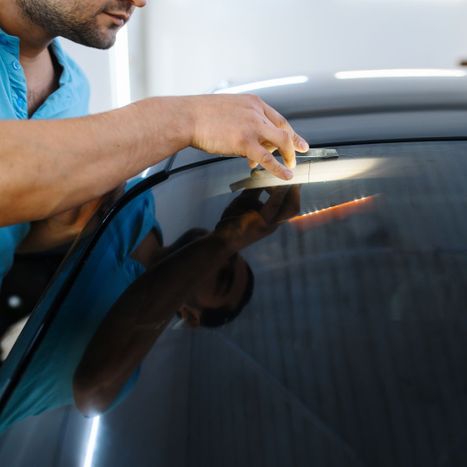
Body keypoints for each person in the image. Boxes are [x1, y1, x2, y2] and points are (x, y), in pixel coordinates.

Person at [0, 0, 309, 285]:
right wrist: (186, 118)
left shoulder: (74, 88)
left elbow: (14, 232)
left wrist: (60, 226)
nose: (139, 1)